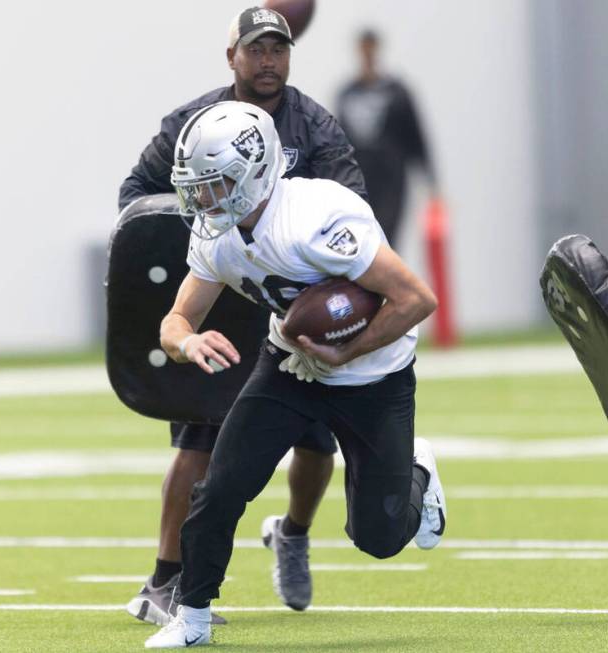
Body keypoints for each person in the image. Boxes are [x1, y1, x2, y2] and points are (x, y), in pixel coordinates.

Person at [143, 100, 446, 648]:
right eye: (198, 185)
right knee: (220, 489)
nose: (202, 199)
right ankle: (193, 619)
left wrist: (347, 351)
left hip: (374, 375)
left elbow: (416, 298)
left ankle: (418, 474)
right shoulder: (217, 235)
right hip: (289, 363)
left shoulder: (315, 217)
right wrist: (188, 340)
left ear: (253, 174)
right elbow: (175, 318)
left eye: (215, 184)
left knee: (378, 538)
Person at [118, 6, 368, 625]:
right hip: (224, 302)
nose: (268, 61)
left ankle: (294, 533)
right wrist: (207, 253)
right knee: (202, 437)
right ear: (231, 56)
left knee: (316, 444)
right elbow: (136, 198)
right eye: (256, 50)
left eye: (277, 49)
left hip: (292, 307)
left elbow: (355, 205)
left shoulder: (313, 125)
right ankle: (163, 580)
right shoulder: (193, 123)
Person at [335, 29, 437, 247]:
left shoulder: (397, 93)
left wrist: (431, 183)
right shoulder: (347, 94)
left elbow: (416, 136)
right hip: (358, 179)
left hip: (391, 179)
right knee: (359, 238)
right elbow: (336, 142)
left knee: (388, 238)